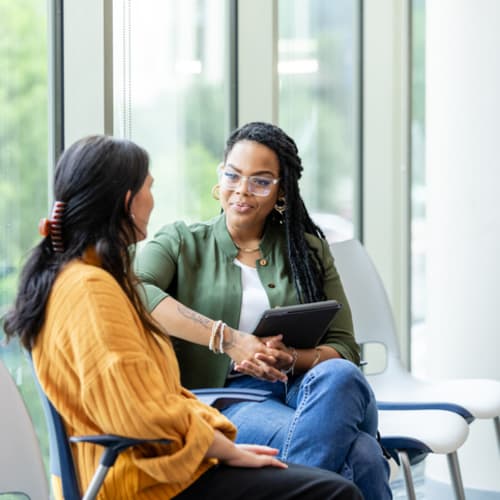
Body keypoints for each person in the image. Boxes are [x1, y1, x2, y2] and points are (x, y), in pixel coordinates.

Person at [3, 135, 361, 500]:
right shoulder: (91, 290)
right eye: (149, 188)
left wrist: (221, 440)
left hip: (164, 462)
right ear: (129, 201)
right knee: (342, 483)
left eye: (261, 181)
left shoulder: (88, 280)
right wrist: (225, 446)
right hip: (146, 478)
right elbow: (138, 413)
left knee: (350, 417)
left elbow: (154, 399)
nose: (242, 191)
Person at [135, 121, 392, 500]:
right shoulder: (181, 242)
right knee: (363, 453)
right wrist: (230, 340)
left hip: (306, 391)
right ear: (219, 176)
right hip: (228, 400)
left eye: (260, 181)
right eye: (233, 175)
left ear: (282, 190)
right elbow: (135, 293)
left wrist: (288, 359)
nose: (242, 190)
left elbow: (345, 348)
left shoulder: (309, 251)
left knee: (341, 374)